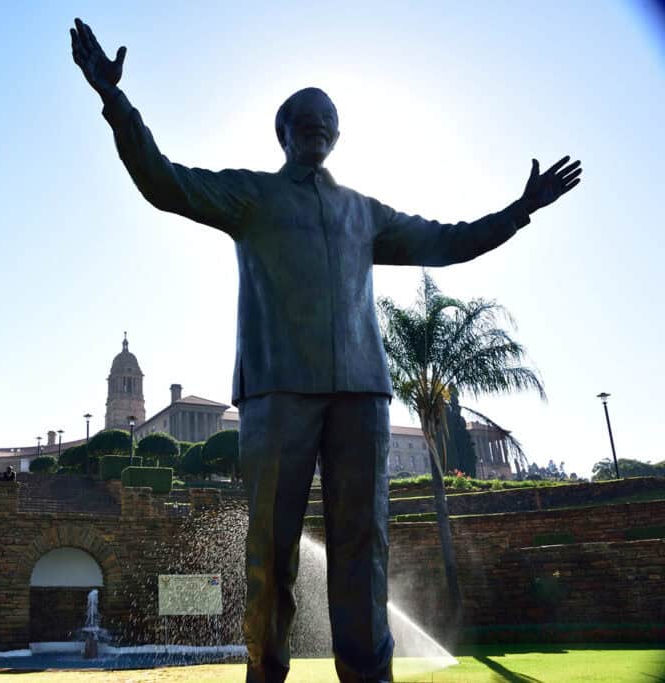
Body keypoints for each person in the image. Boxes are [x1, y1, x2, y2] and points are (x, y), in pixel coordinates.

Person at [69, 18, 581, 683]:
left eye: (326, 118)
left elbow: (447, 240)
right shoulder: (252, 195)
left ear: (336, 134)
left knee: (362, 546)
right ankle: (267, 670)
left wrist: (519, 209)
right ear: (282, 133)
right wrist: (114, 100)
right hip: (278, 389)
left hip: (362, 393)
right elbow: (163, 180)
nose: (316, 124)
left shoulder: (364, 212)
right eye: (303, 117)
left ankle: (369, 675)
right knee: (272, 548)